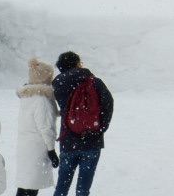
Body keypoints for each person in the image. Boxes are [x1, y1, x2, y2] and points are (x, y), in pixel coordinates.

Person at [50, 52, 113, 196]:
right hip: (92, 140)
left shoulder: (58, 84)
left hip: (68, 140)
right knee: (83, 189)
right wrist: (100, 128)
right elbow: (108, 104)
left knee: (61, 187)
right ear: (78, 63)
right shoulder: (94, 81)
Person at [14, 58, 60, 196]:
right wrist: (51, 150)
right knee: (31, 187)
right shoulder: (42, 100)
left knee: (24, 185)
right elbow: (46, 128)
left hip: (25, 146)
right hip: (37, 148)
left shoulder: (27, 98)